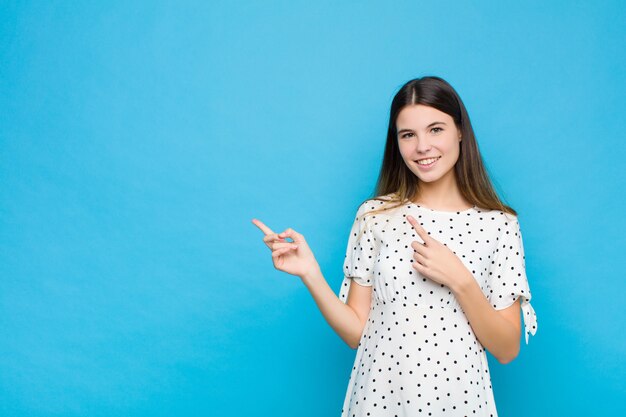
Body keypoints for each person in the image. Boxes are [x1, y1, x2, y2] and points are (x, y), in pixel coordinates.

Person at [252, 75, 538, 416]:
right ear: (397, 142)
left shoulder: (499, 225)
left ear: (460, 131)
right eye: (408, 135)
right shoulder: (375, 216)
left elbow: (507, 349)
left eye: (436, 130)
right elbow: (357, 331)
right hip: (378, 401)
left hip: (459, 404)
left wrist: (460, 279)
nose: (422, 147)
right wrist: (310, 273)